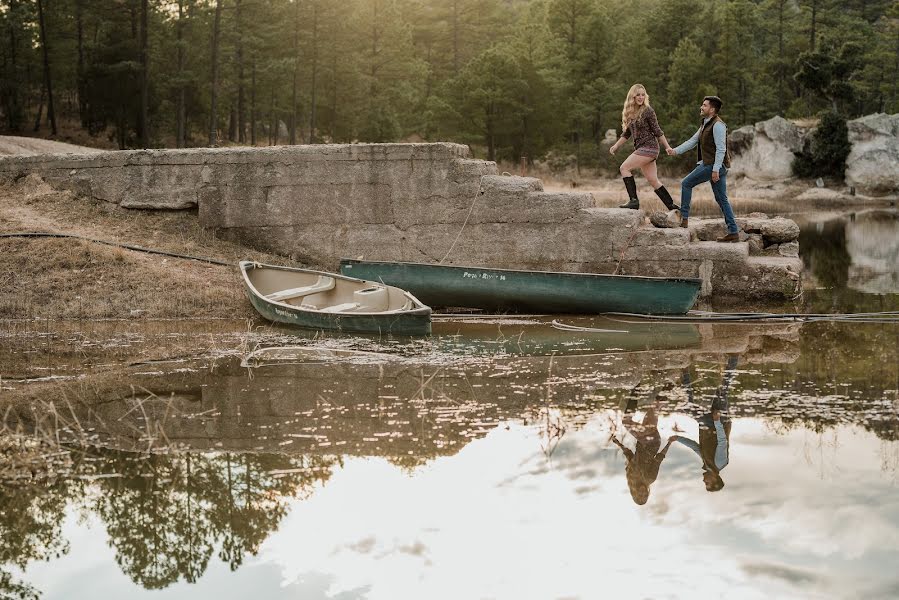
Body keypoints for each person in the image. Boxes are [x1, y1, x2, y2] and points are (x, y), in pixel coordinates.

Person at [666, 96, 740, 242]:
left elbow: (721, 149)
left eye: (704, 105)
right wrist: (675, 151)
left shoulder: (718, 125)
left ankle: (684, 218)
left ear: (712, 109)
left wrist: (715, 170)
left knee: (686, 183)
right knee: (722, 199)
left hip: (714, 165)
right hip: (714, 165)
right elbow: (692, 141)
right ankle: (733, 232)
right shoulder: (705, 123)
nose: (701, 107)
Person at [670, 355, 739, 492]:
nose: (704, 480)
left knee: (722, 391)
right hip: (716, 422)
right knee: (721, 391)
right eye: (707, 483)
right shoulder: (720, 463)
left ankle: (733, 357)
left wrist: (678, 438)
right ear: (715, 479)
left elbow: (696, 448)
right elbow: (722, 442)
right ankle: (734, 356)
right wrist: (717, 421)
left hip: (709, 424)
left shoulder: (708, 465)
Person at [609, 84, 679, 212]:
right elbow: (627, 134)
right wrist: (616, 145)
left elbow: (657, 131)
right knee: (653, 180)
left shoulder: (648, 110)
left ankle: (633, 201)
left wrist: (667, 147)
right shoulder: (630, 113)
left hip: (649, 147)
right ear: (633, 96)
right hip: (643, 148)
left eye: (643, 94)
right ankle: (672, 207)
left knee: (624, 168)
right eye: (638, 95)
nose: (641, 97)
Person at [610, 390, 676, 505]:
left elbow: (629, 454)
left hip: (643, 441)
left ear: (634, 493)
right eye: (645, 495)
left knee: (655, 407)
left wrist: (618, 443)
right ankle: (636, 391)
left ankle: (670, 385)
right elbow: (658, 459)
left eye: (640, 495)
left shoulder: (632, 475)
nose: (643, 493)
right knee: (626, 421)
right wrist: (669, 443)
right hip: (652, 443)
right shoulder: (650, 478)